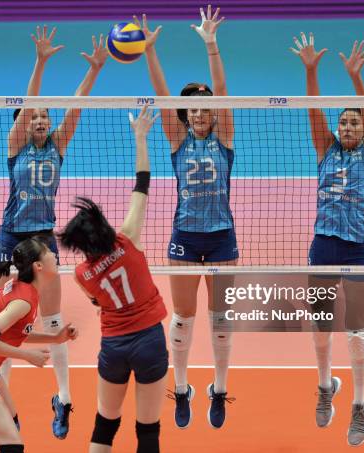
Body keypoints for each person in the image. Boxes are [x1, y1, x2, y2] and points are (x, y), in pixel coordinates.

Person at [0, 25, 107, 439]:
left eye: (45, 116)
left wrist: (94, 70)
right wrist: (40, 61)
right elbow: (25, 107)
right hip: (10, 238)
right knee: (2, 323)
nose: (40, 120)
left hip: (42, 239)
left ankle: (63, 398)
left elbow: (76, 105)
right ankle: (1, 402)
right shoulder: (14, 146)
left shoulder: (58, 144)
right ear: (24, 124)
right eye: (34, 117)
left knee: (53, 318)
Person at [136, 5, 236, 430]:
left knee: (220, 320)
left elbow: (224, 91)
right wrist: (149, 52)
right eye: (191, 108)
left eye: (204, 107)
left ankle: (217, 388)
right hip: (185, 236)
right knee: (181, 319)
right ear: (184, 114)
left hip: (222, 237)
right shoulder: (176, 140)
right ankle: (181, 389)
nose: (198, 112)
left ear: (213, 113)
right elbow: (161, 96)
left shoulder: (224, 137)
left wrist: (211, 45)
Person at [291, 33, 364, 446]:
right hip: (324, 247)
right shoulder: (324, 149)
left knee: (358, 332)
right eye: (342, 121)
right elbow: (314, 111)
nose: (347, 126)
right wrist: (311, 70)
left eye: (354, 122)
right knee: (321, 327)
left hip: (360, 246)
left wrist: (355, 78)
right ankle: (326, 385)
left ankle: (360, 405)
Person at [58, 106, 168, 453]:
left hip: (114, 347)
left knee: (105, 424)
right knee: (148, 430)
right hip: (149, 341)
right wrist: (140, 137)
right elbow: (142, 183)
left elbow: (97, 303)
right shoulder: (128, 238)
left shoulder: (81, 274)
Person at [0, 238, 78, 453]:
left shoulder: (25, 290)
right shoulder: (23, 301)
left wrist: (55, 338)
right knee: (13, 445)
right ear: (38, 266)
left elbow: (16, 332)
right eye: (48, 252)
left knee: (7, 425)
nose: (54, 255)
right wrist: (26, 356)